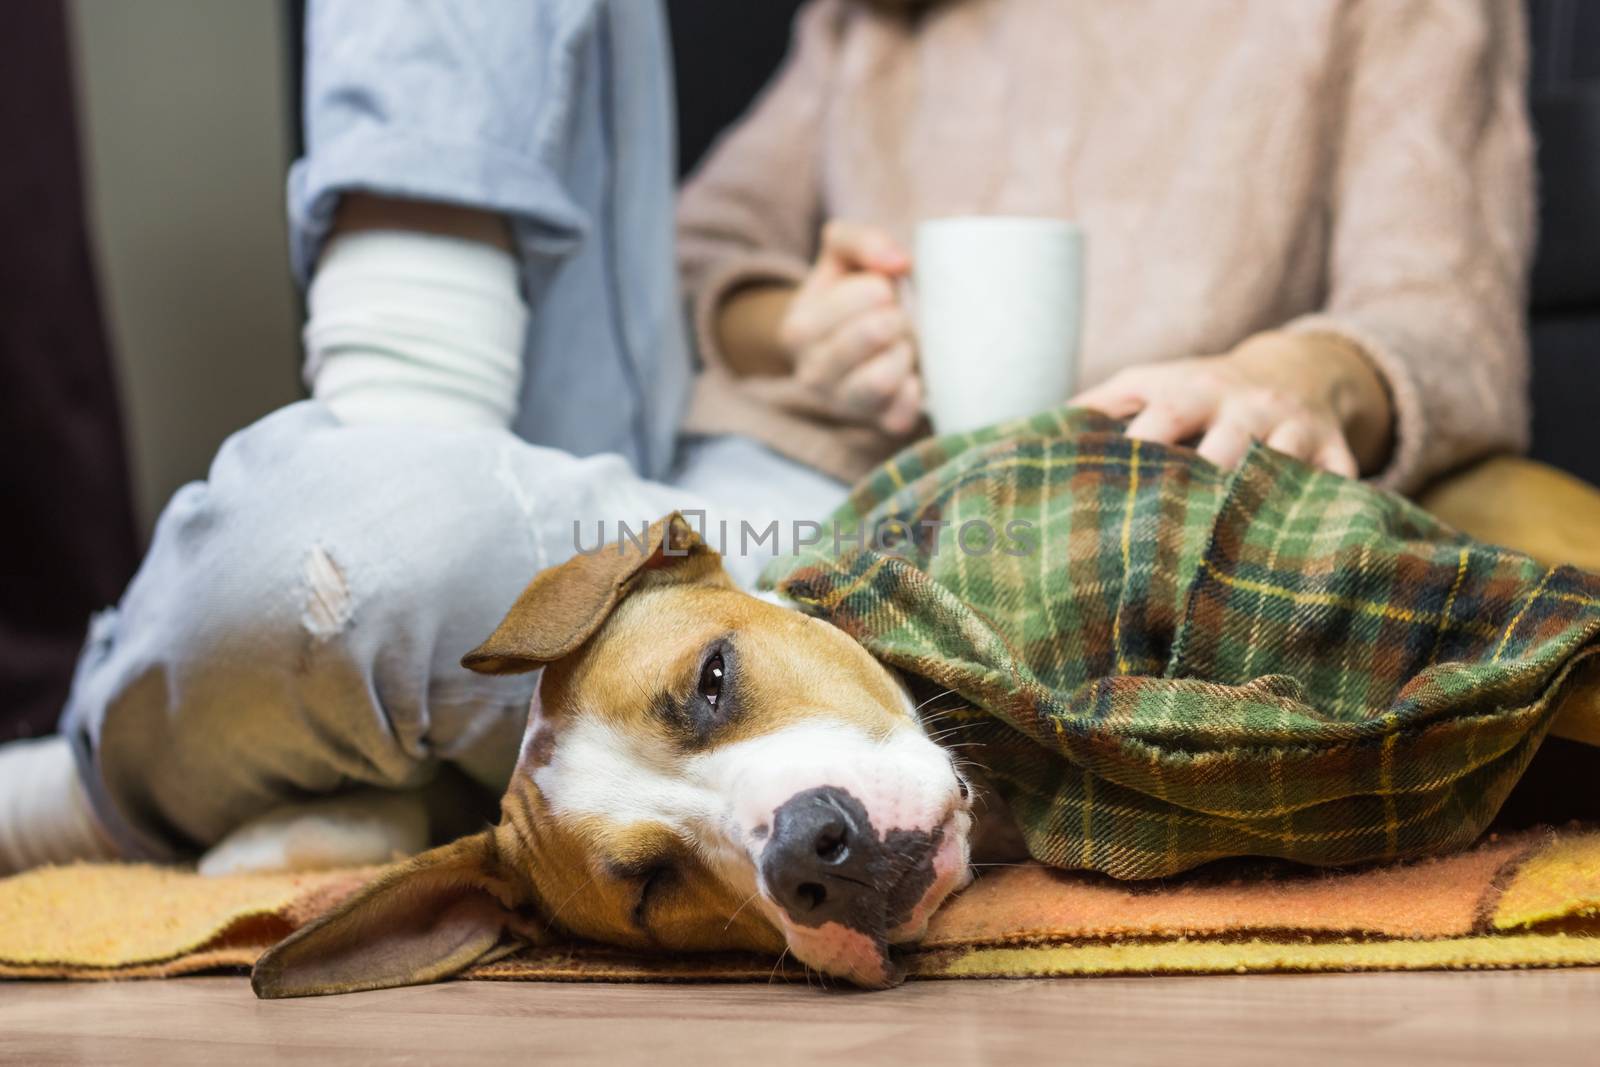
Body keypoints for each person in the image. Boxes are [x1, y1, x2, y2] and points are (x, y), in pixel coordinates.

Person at [0, 1, 847, 873]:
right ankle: (398, 535)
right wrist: (799, 321)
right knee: (362, 558)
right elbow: (709, 248)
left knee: (369, 560)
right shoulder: (876, 34)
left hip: (866, 505)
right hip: (694, 448)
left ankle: (113, 796)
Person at [678, 0, 1532, 496]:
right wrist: (804, 326)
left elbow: (1447, 318)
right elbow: (687, 251)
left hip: (1127, 506)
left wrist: (1295, 376)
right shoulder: (868, 22)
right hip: (805, 474)